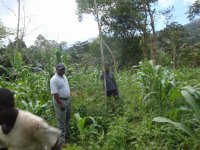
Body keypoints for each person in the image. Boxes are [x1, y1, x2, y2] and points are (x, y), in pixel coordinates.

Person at [50, 63, 71, 145]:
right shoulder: (54, 79)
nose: (62, 70)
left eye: (63, 69)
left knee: (67, 118)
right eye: (60, 69)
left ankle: (66, 136)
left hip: (67, 100)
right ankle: (61, 141)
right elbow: (55, 94)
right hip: (60, 101)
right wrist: (61, 104)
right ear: (56, 70)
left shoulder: (64, 76)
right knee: (61, 121)